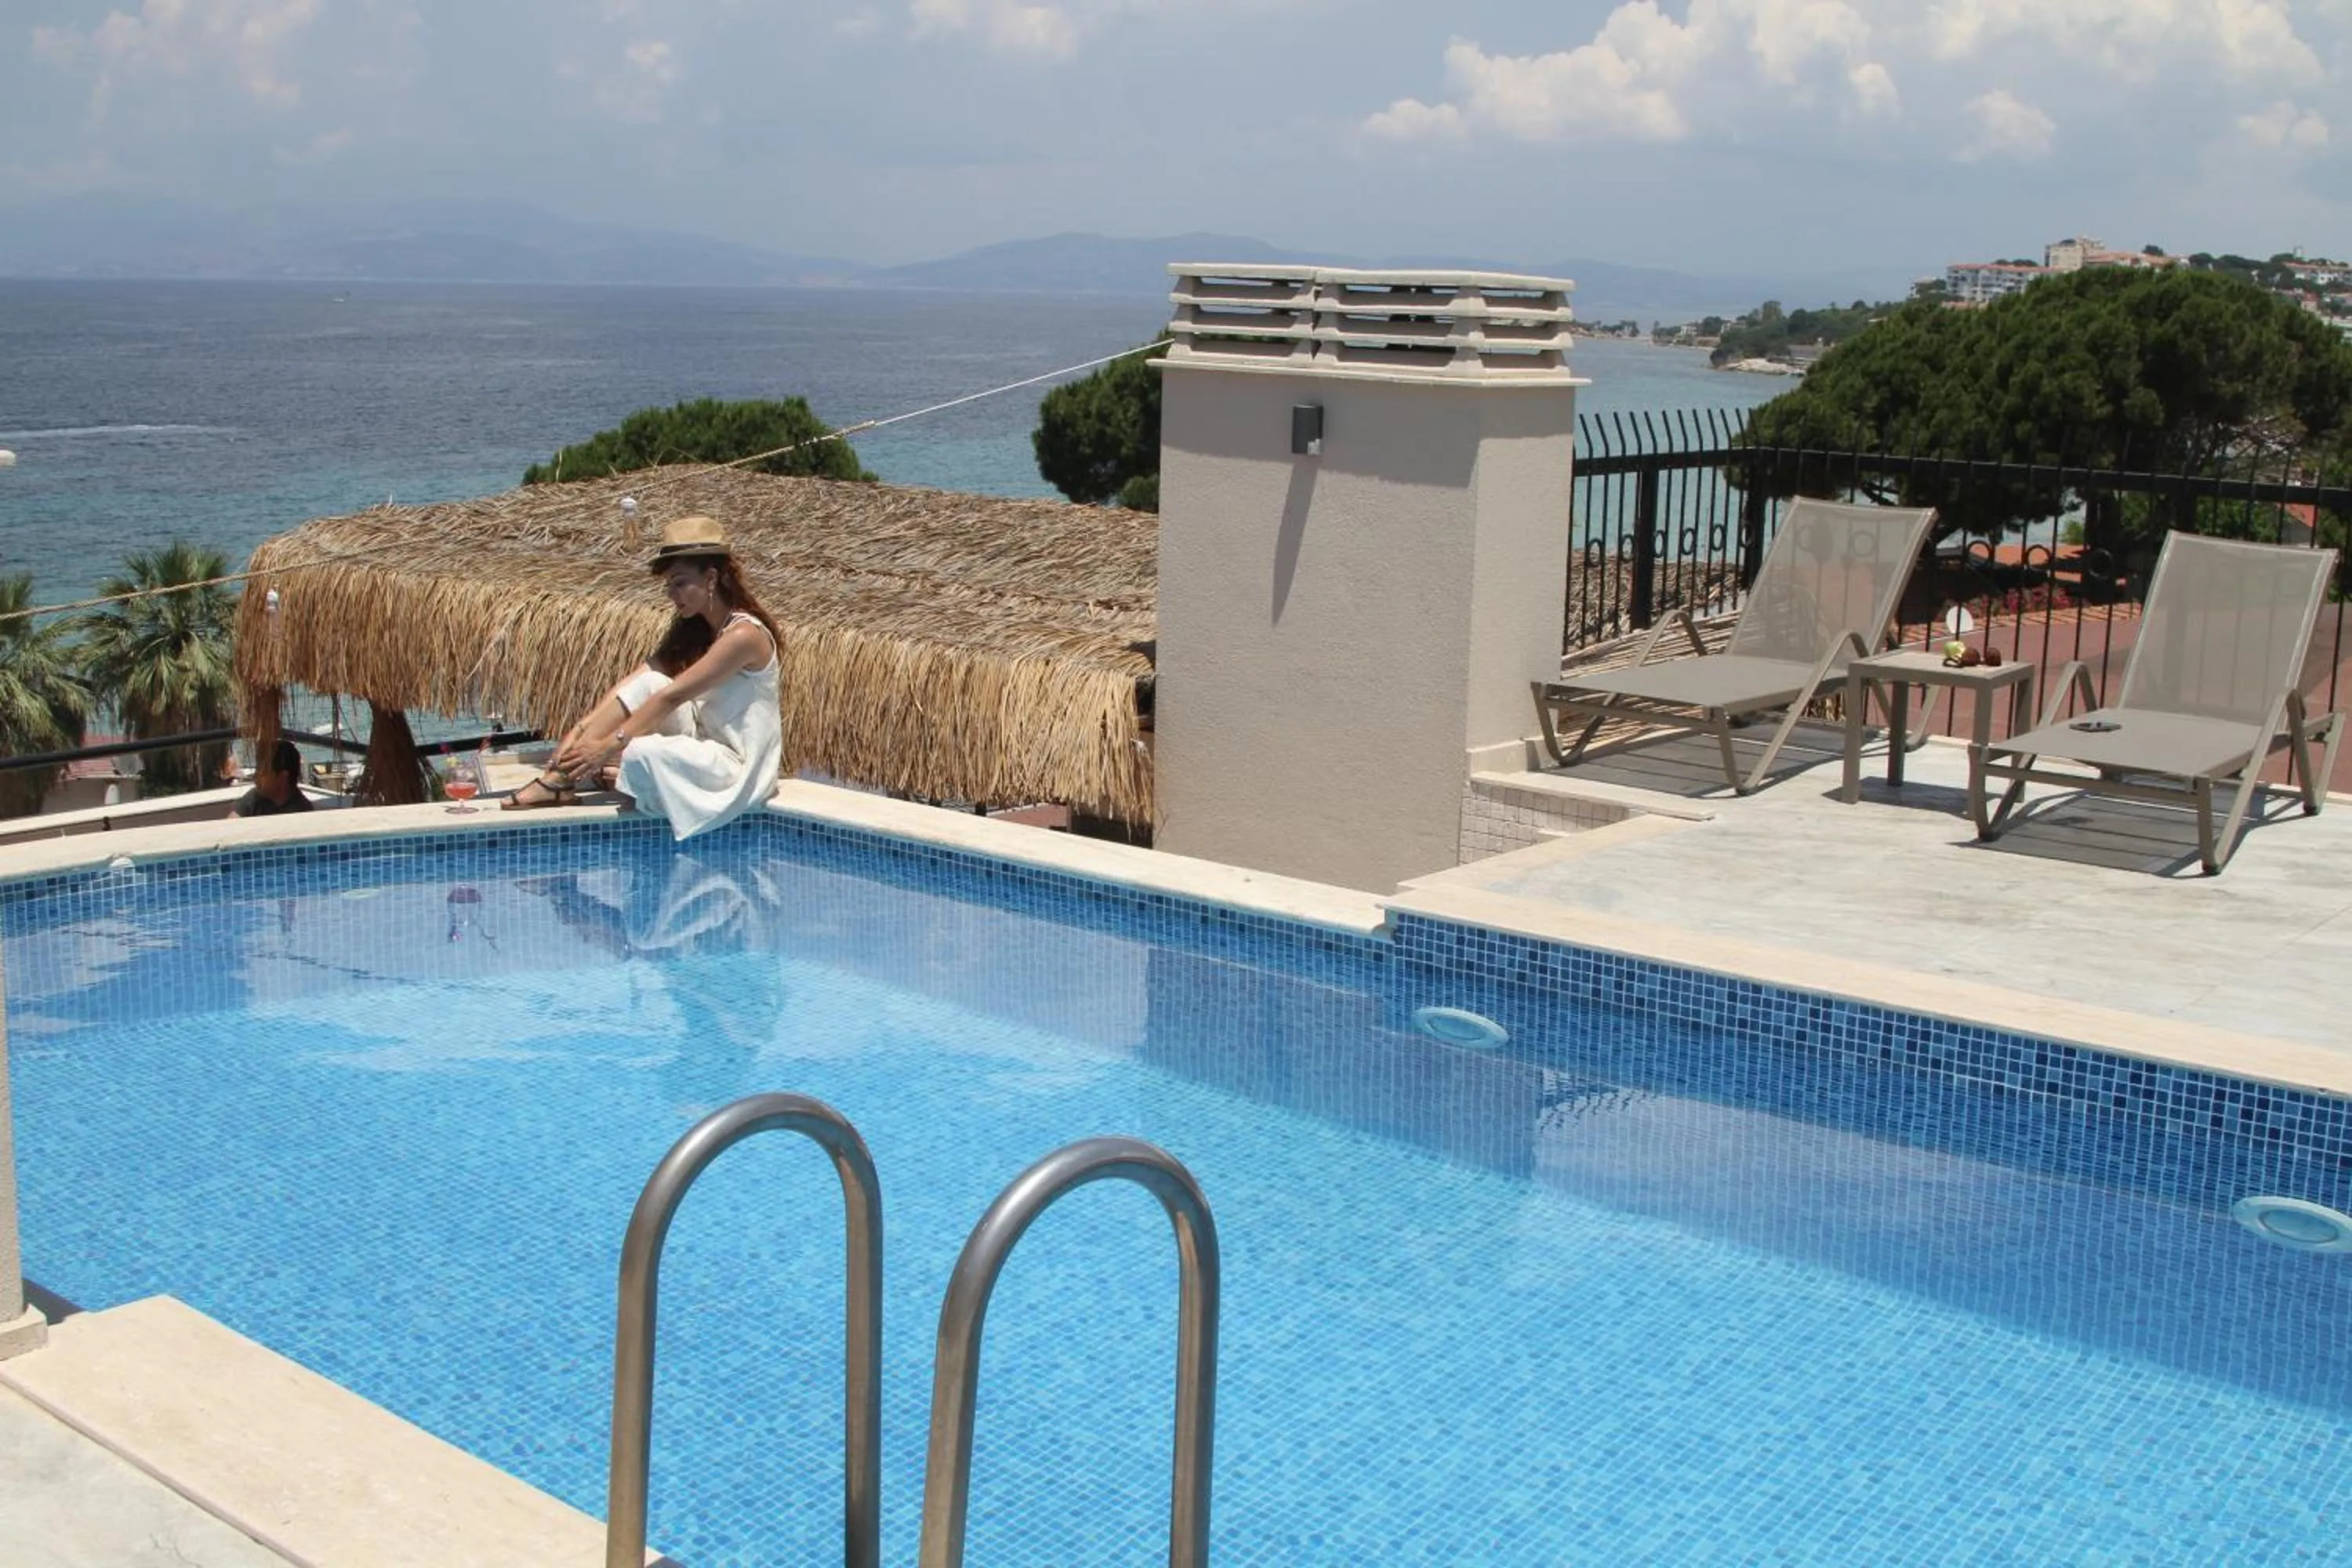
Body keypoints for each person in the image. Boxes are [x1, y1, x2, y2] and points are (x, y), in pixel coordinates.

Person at [504, 514, 783, 840]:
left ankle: (615, 772)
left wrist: (606, 748)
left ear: (711, 578)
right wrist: (580, 732)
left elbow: (672, 698)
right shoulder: (698, 629)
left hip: (736, 768)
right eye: (669, 585)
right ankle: (559, 781)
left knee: (641, 751)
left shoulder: (744, 635)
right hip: (704, 749)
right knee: (650, 684)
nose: (671, 594)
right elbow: (639, 681)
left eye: (679, 583)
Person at [230, 739, 314, 818]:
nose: (255, 777)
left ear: (282, 777)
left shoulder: (303, 811)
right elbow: (232, 824)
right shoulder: (254, 798)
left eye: (262, 772)